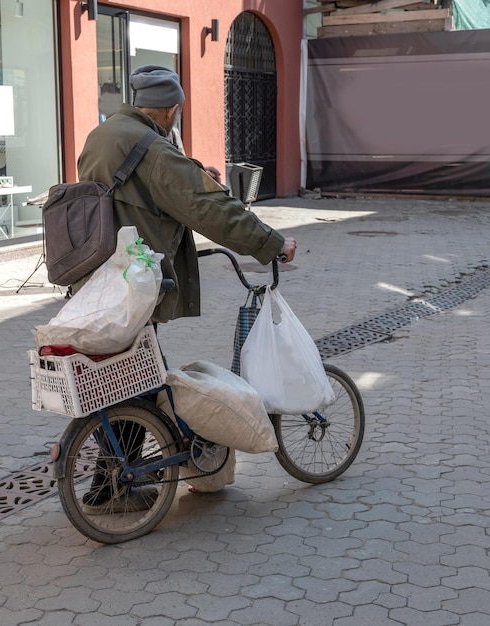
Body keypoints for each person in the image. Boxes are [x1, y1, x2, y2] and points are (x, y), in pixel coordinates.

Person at [76, 65, 297, 512]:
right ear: (172, 109)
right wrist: (271, 244)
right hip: (132, 284)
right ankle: (119, 487)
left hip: (97, 278)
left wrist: (191, 170)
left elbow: (138, 189)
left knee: (122, 377)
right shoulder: (151, 146)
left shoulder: (104, 135)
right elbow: (209, 208)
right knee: (137, 381)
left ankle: (106, 484)